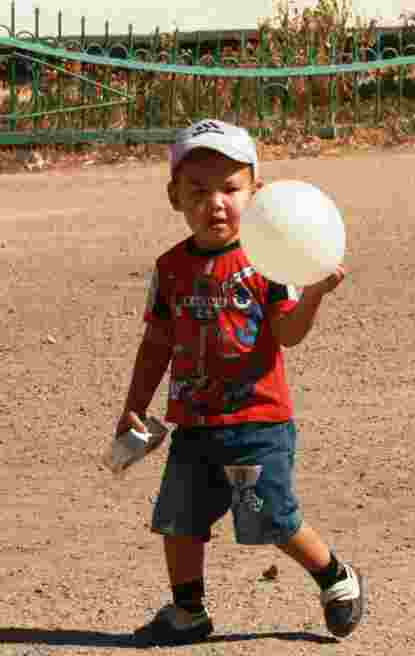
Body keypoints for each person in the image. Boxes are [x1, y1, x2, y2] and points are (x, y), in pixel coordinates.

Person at [114, 118, 366, 645]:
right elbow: (156, 342)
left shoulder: (270, 259)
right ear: (174, 196)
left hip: (257, 423)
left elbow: (288, 334)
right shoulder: (170, 268)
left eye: (231, 189)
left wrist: (315, 294)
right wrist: (134, 405)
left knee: (272, 520)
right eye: (199, 191)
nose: (217, 203)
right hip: (194, 425)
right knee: (179, 521)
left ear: (257, 193)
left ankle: (336, 578)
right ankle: (189, 612)